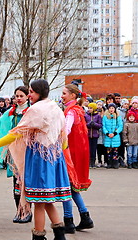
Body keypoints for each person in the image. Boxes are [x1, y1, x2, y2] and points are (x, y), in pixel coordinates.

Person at [0, 79, 71, 240]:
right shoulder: (56, 108)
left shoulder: (36, 110)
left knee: (38, 201)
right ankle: (60, 235)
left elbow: (15, 133)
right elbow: (64, 140)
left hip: (39, 159)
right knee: (47, 200)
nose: (29, 95)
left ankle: (38, 236)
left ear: (39, 92)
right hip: (54, 157)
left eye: (31, 92)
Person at [0, 86, 32, 223]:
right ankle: (19, 210)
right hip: (14, 150)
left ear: (27, 96)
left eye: (21, 96)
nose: (19, 98)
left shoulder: (31, 111)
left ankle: (27, 211)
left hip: (27, 150)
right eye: (16, 96)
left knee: (26, 182)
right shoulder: (11, 112)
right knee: (16, 181)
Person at [61, 84, 94, 234]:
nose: (62, 96)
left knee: (66, 186)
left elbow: (66, 131)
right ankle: (85, 217)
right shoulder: (78, 109)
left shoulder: (70, 111)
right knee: (72, 188)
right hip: (78, 151)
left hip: (71, 153)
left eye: (64, 93)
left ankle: (69, 221)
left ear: (73, 95)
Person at [102, 103, 123, 169]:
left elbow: (120, 126)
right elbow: (103, 126)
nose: (111, 109)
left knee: (115, 151)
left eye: (113, 108)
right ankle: (109, 162)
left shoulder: (117, 117)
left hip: (115, 136)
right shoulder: (105, 117)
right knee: (109, 151)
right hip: (108, 136)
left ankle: (115, 163)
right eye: (110, 108)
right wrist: (107, 133)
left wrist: (115, 133)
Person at [84, 103, 102, 168]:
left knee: (93, 150)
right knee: (88, 149)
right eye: (88, 108)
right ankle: (88, 162)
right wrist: (89, 124)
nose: (89, 109)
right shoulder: (86, 116)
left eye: (91, 108)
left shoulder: (98, 116)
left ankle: (93, 162)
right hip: (88, 135)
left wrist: (94, 124)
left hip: (95, 135)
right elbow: (84, 125)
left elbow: (100, 125)